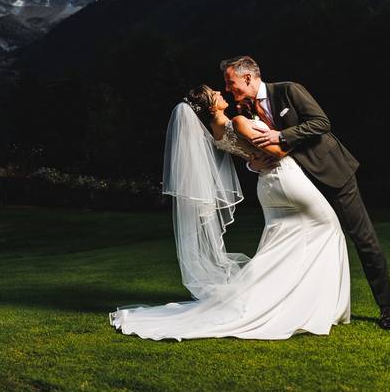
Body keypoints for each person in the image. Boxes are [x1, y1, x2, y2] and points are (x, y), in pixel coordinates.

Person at [109, 85, 351, 340]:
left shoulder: (216, 132)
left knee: (279, 244)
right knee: (329, 229)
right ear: (211, 105)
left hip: (267, 187)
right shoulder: (237, 121)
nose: (219, 92)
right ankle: (315, 304)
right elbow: (278, 151)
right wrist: (300, 136)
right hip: (285, 179)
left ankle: (282, 298)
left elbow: (250, 155)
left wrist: (252, 162)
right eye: (214, 93)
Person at [220, 55, 390, 330]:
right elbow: (254, 149)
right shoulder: (246, 110)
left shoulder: (289, 89)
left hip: (333, 173)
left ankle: (387, 308)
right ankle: (307, 307)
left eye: (231, 83)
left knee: (364, 239)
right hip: (301, 184)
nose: (228, 90)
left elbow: (320, 123)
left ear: (247, 77)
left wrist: (281, 136)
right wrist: (252, 162)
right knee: (305, 245)